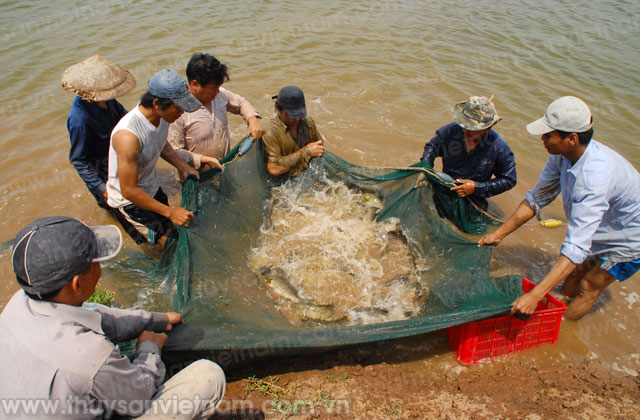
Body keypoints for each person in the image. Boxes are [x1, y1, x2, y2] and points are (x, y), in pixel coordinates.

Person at [0, 216, 225, 419]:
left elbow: (95, 314)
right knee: (208, 376)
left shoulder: (18, 304)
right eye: (95, 261)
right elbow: (140, 394)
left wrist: (155, 319)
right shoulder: (90, 355)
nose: (99, 266)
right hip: (119, 393)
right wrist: (149, 348)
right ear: (77, 284)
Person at [479, 96, 640, 320]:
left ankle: (562, 326)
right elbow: (537, 198)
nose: (542, 139)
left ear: (572, 138)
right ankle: (557, 307)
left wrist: (535, 294)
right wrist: (498, 235)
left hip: (630, 237)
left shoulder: (594, 180)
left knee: (588, 285)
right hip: (604, 223)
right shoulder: (562, 155)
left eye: (548, 135)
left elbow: (575, 247)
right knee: (574, 273)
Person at [107, 69, 218, 248]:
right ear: (157, 103)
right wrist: (170, 211)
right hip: (129, 201)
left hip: (151, 187)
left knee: (170, 227)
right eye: (179, 107)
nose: (182, 113)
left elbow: (163, 146)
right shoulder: (128, 136)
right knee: (166, 246)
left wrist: (185, 167)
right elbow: (128, 190)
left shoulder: (163, 117)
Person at [62, 54, 146, 243]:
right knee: (127, 221)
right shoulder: (79, 120)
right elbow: (79, 160)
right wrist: (102, 189)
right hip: (102, 174)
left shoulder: (108, 102)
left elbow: (124, 119)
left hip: (119, 164)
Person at [168, 53, 263, 173]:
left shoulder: (220, 95)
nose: (218, 91)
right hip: (197, 175)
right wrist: (202, 159)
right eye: (213, 88)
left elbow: (241, 103)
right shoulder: (178, 112)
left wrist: (252, 120)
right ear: (195, 84)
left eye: (219, 86)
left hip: (224, 168)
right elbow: (174, 153)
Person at [418, 96, 517, 208]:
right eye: (464, 123)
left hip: (473, 200)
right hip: (444, 188)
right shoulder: (451, 131)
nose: (465, 129)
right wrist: (425, 166)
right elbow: (432, 147)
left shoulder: (499, 147)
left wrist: (476, 187)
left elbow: (509, 180)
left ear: (488, 128)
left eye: (472, 127)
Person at [262, 85, 325, 177]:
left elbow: (319, 146)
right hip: (282, 182)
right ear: (278, 109)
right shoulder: (271, 132)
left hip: (306, 172)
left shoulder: (308, 122)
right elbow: (273, 168)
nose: (296, 119)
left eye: (299, 115)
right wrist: (306, 152)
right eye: (291, 115)